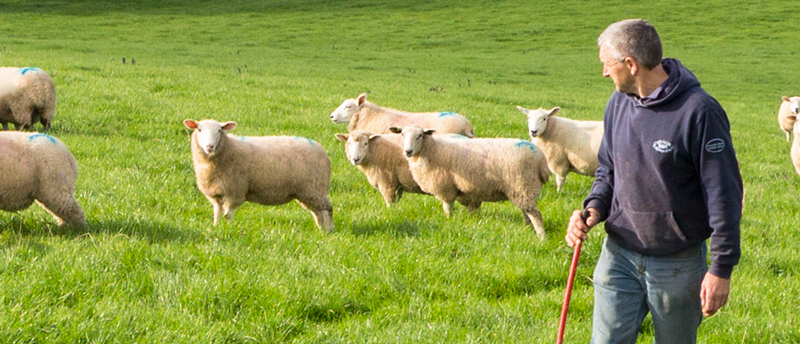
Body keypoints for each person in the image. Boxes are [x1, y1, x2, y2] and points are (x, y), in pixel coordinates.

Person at [565, 19, 743, 344]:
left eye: (608, 64)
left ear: (631, 65)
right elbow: (608, 169)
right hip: (618, 254)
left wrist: (721, 268)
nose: (604, 73)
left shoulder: (699, 112)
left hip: (677, 262)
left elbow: (723, 193)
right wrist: (594, 208)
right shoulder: (617, 103)